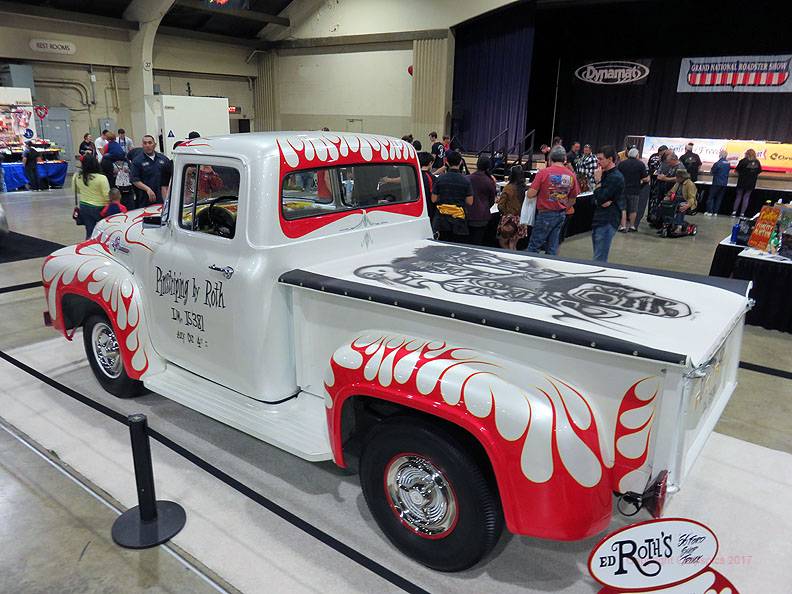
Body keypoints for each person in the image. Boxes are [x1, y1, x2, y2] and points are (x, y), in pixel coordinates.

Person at [526, 146, 579, 255]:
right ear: (564, 158)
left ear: (550, 158)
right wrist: (562, 208)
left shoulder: (543, 173)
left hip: (545, 213)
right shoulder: (570, 175)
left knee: (534, 247)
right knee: (552, 247)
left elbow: (531, 194)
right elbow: (573, 199)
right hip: (561, 214)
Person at [591, 145, 625, 262]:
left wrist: (598, 182)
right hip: (598, 218)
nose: (598, 162)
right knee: (597, 254)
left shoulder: (616, 177)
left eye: (601, 159)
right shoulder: (604, 174)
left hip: (607, 220)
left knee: (599, 258)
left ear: (610, 159)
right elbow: (596, 199)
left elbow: (600, 197)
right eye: (597, 159)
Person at [431, 150, 473, 243]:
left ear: (447, 162)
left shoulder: (440, 179)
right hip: (459, 219)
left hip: (441, 219)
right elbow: (470, 201)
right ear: (461, 162)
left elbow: (433, 199)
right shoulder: (465, 180)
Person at [73, 154, 110, 238]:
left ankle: (88, 246)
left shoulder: (76, 176)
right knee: (103, 232)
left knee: (89, 231)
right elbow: (107, 196)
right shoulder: (102, 178)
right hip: (100, 207)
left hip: (84, 206)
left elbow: (76, 190)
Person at [130, 134, 171, 207]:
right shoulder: (137, 161)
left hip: (163, 199)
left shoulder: (164, 159)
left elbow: (170, 178)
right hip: (145, 200)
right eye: (145, 143)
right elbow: (135, 180)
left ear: (155, 144)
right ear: (142, 145)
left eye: (150, 143)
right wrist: (147, 189)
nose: (147, 145)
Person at [496, 165, 529, 250]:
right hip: (521, 219)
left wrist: (504, 213)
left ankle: (509, 258)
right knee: (513, 243)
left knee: (503, 242)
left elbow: (501, 206)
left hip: (509, 219)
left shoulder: (508, 188)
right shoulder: (524, 188)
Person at [617, 148, 649, 232]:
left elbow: (617, 176)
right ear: (637, 155)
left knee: (623, 209)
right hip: (635, 190)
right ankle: (632, 226)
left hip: (622, 190)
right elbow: (645, 178)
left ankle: (623, 226)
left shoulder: (622, 164)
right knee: (633, 209)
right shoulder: (640, 164)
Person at [466, 156, 496, 245]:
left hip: (467, 214)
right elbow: (492, 200)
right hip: (482, 216)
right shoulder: (489, 181)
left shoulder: (468, 178)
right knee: (477, 242)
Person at [665, 169, 697, 235]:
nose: (676, 178)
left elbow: (692, 198)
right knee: (666, 206)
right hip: (677, 200)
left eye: (677, 177)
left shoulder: (690, 184)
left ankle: (679, 226)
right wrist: (667, 196)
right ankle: (666, 223)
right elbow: (671, 191)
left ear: (682, 177)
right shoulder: (678, 183)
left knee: (681, 207)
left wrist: (687, 205)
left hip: (687, 201)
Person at [733, 149, 762, 217]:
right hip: (751, 182)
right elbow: (759, 172)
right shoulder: (757, 162)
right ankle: (742, 213)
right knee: (746, 197)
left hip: (742, 181)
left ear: (747, 154)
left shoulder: (743, 161)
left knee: (738, 196)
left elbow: (736, 171)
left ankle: (734, 212)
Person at [706, 150, 730, 216]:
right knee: (719, 198)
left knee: (711, 197)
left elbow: (712, 172)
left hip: (716, 182)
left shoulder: (717, 163)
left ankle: (710, 211)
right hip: (724, 183)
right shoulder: (728, 163)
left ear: (720, 155)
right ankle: (716, 212)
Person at [418, 151, 437, 226]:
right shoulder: (432, 178)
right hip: (429, 210)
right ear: (430, 163)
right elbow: (434, 198)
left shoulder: (414, 175)